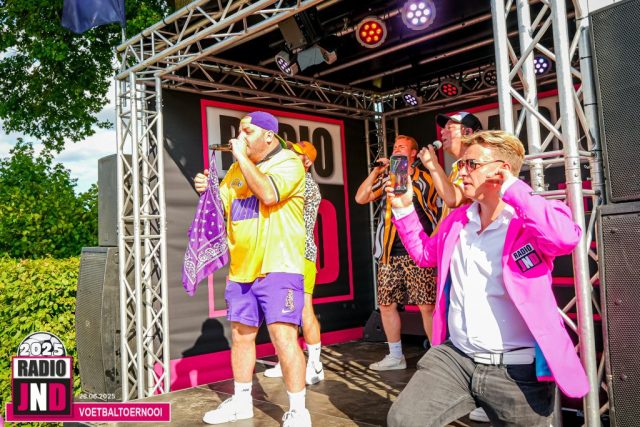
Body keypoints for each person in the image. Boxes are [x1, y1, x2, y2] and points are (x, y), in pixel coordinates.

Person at [385, 130, 589, 426]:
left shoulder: (530, 220)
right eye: (460, 164)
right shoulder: (457, 221)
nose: (461, 172)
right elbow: (425, 255)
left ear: (501, 171)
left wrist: (514, 188)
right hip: (456, 359)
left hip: (518, 372)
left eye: (471, 164)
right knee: (403, 420)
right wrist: (403, 207)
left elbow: (564, 238)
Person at [194, 111, 311, 426]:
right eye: (240, 131)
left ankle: (298, 410)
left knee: (283, 337)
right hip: (242, 269)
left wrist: (242, 158)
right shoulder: (235, 170)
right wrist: (205, 190)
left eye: (248, 132)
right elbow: (219, 210)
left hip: (279, 266)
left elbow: (269, 194)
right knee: (241, 336)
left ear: (269, 136)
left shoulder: (288, 162)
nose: (240, 137)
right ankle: (242, 402)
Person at [419, 111, 491, 423]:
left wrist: (432, 165)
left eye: (451, 127)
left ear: (469, 133)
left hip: (480, 253)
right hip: (458, 254)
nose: (444, 131)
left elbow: (452, 200)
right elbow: (451, 205)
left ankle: (488, 396)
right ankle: (469, 389)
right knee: (456, 319)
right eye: (444, 127)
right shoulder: (457, 167)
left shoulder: (477, 164)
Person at [355, 135, 440, 371]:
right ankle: (395, 356)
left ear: (413, 153)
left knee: (426, 305)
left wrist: (402, 174)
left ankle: (437, 359)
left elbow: (433, 202)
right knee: (386, 304)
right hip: (389, 252)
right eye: (394, 147)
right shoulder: (387, 177)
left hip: (418, 251)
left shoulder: (425, 178)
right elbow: (360, 197)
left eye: (401, 147)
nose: (396, 150)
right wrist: (377, 172)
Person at [265, 140, 325, 385]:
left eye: (296, 153)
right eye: (289, 150)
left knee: (303, 309)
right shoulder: (287, 179)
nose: (289, 154)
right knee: (281, 311)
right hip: (280, 254)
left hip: (301, 253)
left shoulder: (306, 184)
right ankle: (286, 361)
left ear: (307, 162)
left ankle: (315, 364)